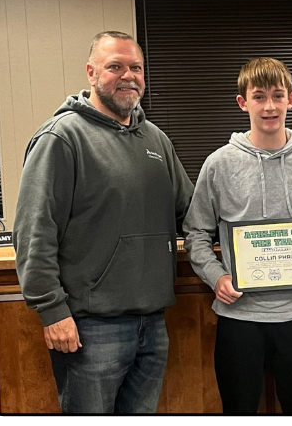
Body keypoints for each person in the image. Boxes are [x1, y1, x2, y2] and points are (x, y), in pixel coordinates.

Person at [12, 31, 192, 414]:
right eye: (115, 67)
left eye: (136, 67)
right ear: (91, 73)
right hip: (90, 328)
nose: (128, 75)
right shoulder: (61, 138)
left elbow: (190, 211)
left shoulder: (156, 140)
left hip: (152, 323)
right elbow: (33, 233)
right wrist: (52, 311)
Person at [184, 58, 292, 414]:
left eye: (277, 96)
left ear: (291, 99)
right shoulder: (219, 164)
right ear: (243, 102)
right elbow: (196, 232)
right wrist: (216, 277)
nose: (269, 106)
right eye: (259, 97)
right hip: (240, 318)